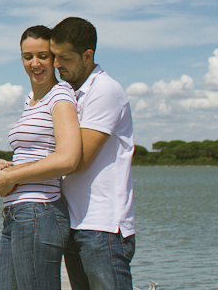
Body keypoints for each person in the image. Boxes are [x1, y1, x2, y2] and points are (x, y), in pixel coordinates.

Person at [0, 25, 82, 290]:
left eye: (43, 55)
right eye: (28, 57)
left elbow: (67, 158)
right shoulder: (31, 98)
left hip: (39, 212)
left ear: (54, 58)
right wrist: (5, 167)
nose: (35, 63)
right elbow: (39, 151)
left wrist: (13, 176)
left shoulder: (60, 96)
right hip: (16, 213)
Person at [50, 17, 135, 290]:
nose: (56, 64)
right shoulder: (71, 93)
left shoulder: (105, 90)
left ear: (88, 56)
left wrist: (20, 172)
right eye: (54, 56)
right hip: (75, 224)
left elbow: (77, 159)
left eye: (64, 57)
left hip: (103, 227)